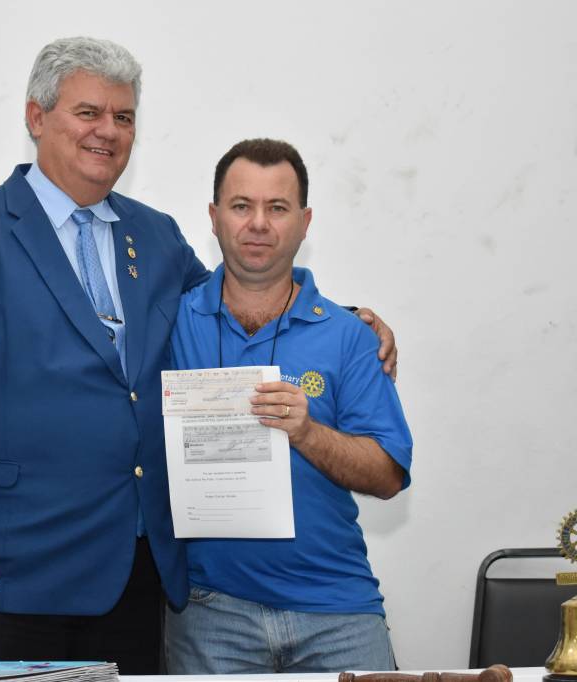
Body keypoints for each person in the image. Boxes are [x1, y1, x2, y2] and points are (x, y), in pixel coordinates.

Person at [0, 38, 397, 674]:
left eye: (123, 117)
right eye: (88, 112)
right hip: (0, 573)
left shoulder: (153, 234)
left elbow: (233, 302)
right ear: (36, 117)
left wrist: (345, 322)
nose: (107, 130)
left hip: (132, 577)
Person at [164, 138, 412, 674]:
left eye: (277, 208)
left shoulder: (349, 336)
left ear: (304, 222)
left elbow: (389, 477)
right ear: (214, 218)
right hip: (209, 611)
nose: (258, 224)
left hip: (339, 612)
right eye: (241, 206)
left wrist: (307, 432)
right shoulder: (168, 321)